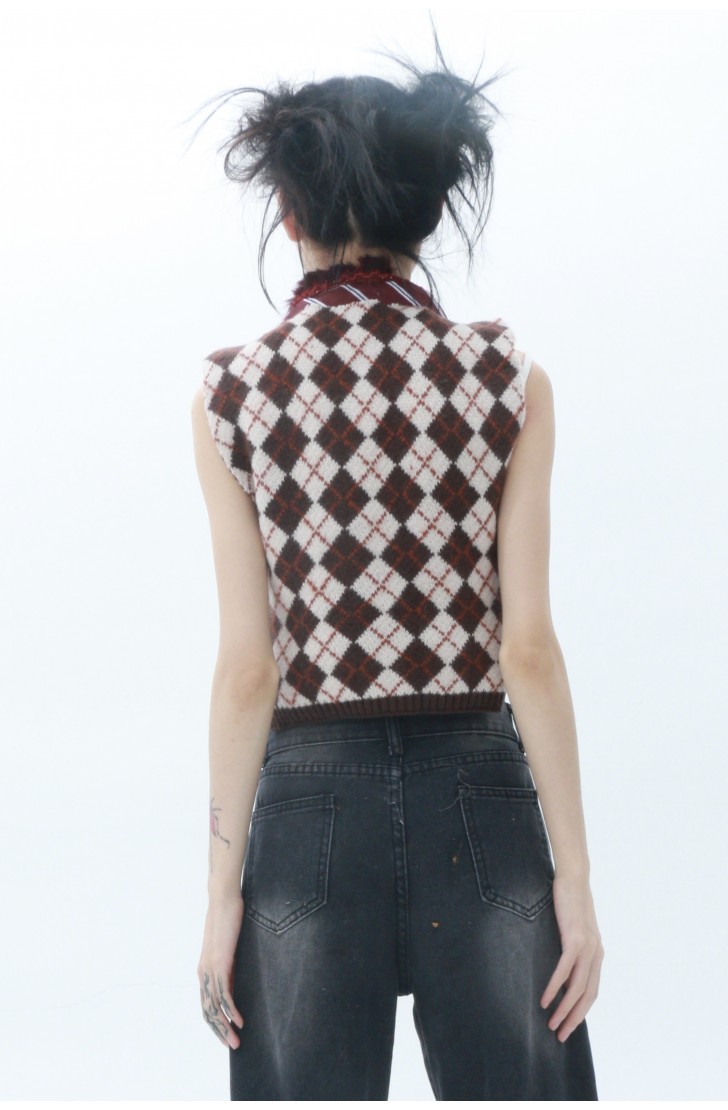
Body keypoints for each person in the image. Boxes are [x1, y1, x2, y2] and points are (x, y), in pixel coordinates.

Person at [190, 40, 603, 1101]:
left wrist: (221, 895)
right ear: (424, 218)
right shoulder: (506, 379)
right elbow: (527, 649)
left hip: (308, 805)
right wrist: (574, 877)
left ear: (288, 214)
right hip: (479, 791)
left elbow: (248, 669)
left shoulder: (233, 396)